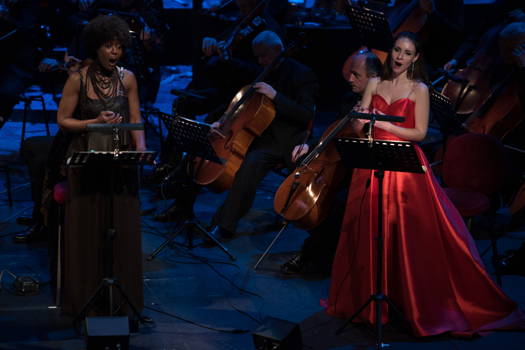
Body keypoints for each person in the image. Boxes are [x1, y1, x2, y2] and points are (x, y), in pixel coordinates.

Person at [327, 31, 525, 337]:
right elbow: (356, 121)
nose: (399, 57)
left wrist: (381, 122)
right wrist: (363, 120)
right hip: (372, 162)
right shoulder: (376, 83)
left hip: (404, 169)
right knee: (369, 230)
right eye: (396, 50)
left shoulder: (419, 89)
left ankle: (411, 303)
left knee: (405, 234)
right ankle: (371, 303)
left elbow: (418, 133)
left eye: (406, 53)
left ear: (415, 58)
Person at [57, 15, 146, 317]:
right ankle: (86, 299)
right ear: (96, 47)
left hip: (120, 160)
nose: (114, 53)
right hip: (85, 157)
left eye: (119, 47)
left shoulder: (128, 78)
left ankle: (121, 301)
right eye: (109, 47)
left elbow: (136, 119)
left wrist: (142, 149)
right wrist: (92, 122)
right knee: (88, 228)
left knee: (120, 228)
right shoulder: (77, 79)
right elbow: (63, 120)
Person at [208, 30, 318, 240]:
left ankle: (225, 225)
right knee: (241, 165)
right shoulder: (263, 71)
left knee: (254, 167)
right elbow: (239, 102)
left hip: (289, 140)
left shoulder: (302, 74)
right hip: (262, 137)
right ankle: (222, 223)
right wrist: (221, 120)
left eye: (264, 56)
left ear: (278, 50)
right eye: (257, 57)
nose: (260, 61)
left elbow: (305, 115)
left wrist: (275, 96)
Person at [280, 49, 382, 276]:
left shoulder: (382, 106)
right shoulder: (349, 100)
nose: (350, 79)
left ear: (373, 77)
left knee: (337, 203)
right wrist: (311, 145)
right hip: (340, 166)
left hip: (366, 171)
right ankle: (313, 254)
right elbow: (332, 133)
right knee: (326, 198)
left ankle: (317, 258)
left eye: (356, 75)